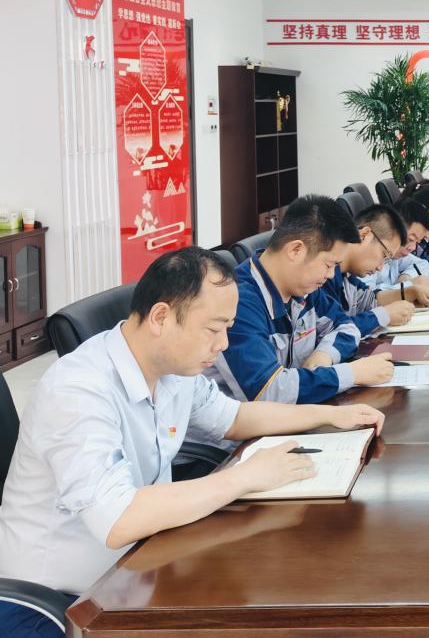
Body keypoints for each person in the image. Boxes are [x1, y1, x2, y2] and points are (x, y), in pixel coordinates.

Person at [0, 248, 386, 633]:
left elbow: (235, 417)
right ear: (161, 317)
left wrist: (330, 415)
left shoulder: (171, 368)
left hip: (139, 566)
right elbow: (117, 518)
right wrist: (245, 477)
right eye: (213, 329)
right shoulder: (78, 390)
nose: (223, 344)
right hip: (60, 604)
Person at [207, 195, 395, 407]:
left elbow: (347, 327)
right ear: (296, 250)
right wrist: (351, 374)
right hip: (242, 427)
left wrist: (325, 355)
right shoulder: (238, 302)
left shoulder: (304, 289)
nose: (331, 275)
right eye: (328, 265)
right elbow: (269, 392)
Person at [321, 204, 427, 337]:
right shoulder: (324, 277)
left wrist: (412, 292)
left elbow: (370, 300)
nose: (380, 267)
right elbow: (332, 331)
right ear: (365, 235)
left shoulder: (347, 275)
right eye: (384, 255)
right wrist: (383, 316)